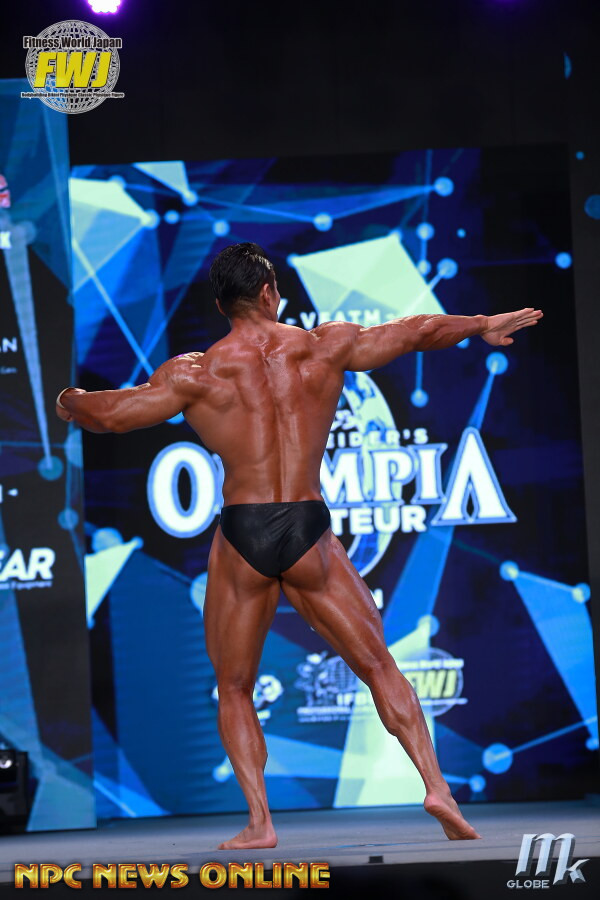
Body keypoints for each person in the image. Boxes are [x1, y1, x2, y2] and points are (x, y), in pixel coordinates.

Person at [56, 242, 543, 850]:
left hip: (244, 530)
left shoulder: (196, 374)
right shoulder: (323, 345)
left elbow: (113, 415)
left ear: (221, 305)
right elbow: (416, 331)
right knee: (378, 665)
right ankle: (437, 788)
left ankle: (261, 822)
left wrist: (69, 401)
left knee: (235, 686)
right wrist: (482, 324)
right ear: (269, 293)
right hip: (307, 525)